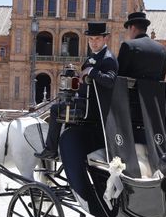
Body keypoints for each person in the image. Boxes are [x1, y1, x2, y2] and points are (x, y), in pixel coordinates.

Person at [35, 22, 118, 159]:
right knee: (63, 104)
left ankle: (51, 149)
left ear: (105, 39)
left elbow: (110, 81)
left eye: (97, 38)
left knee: (55, 109)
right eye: (91, 39)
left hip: (93, 106)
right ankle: (64, 144)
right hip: (84, 102)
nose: (93, 42)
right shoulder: (93, 57)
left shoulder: (107, 58)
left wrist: (91, 71)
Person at [117, 11, 166, 81]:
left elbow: (119, 76)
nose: (128, 32)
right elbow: (162, 78)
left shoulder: (128, 46)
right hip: (155, 92)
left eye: (128, 29)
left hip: (132, 91)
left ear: (133, 28)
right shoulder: (162, 49)